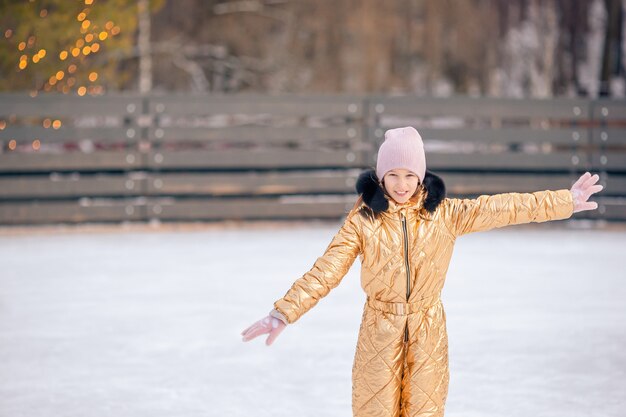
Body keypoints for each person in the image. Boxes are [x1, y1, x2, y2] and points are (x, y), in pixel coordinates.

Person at [240, 126, 603, 417]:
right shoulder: (364, 222)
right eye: (393, 175)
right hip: (378, 330)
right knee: (374, 409)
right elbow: (327, 270)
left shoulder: (443, 214)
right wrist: (284, 311)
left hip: (429, 329)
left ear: (421, 176)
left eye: (409, 175)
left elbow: (502, 207)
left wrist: (563, 201)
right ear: (380, 177)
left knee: (425, 409)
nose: (401, 184)